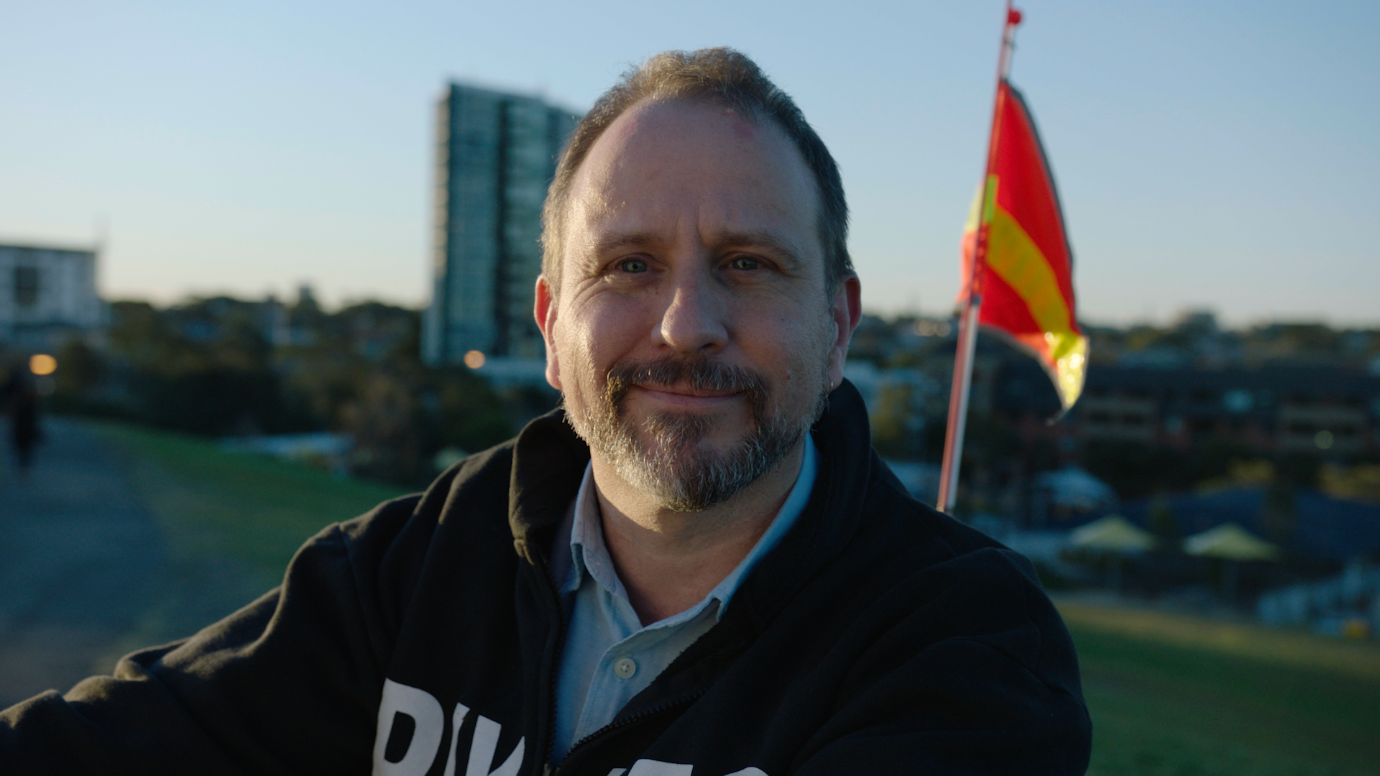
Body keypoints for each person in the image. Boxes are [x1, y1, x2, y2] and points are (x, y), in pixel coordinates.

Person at [0, 48, 1091, 774]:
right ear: (550, 323)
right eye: (628, 264)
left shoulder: (966, 649)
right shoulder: (424, 561)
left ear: (840, 325)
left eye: (750, 263)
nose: (684, 323)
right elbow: (128, 741)